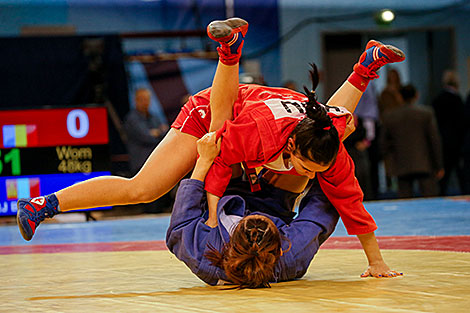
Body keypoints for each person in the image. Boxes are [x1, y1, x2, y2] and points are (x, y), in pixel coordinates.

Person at [17, 17, 405, 278]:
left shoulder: (327, 139)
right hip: (221, 113)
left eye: (313, 170)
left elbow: (350, 200)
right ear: (289, 145)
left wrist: (376, 260)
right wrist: (212, 216)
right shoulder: (258, 132)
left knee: (341, 123)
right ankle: (43, 205)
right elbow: (217, 163)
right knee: (148, 186)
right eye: (304, 165)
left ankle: (367, 64)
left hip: (280, 121)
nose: (307, 174)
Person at [167, 132, 402, 288]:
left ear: (232, 241)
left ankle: (228, 61)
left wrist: (205, 160)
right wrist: (328, 156)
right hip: (275, 201)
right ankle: (357, 80)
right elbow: (323, 206)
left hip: (224, 192)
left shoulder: (202, 254)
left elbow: (181, 219)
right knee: (315, 145)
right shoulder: (292, 255)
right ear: (280, 245)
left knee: (224, 137)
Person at [381, 84, 443, 198]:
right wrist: (438, 165)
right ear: (416, 95)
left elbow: (384, 144)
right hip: (424, 164)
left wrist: (389, 164)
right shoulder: (426, 113)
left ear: (399, 97)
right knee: (430, 202)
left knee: (405, 203)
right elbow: (434, 141)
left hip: (401, 165)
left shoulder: (390, 116)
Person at [432, 70, 465, 195]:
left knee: (443, 174)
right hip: (456, 142)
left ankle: (440, 194)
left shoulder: (437, 99)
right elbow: (462, 122)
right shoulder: (458, 100)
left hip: (442, 141)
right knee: (461, 173)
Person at [124, 88, 169, 175]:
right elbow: (146, 137)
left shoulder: (154, 117)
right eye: (142, 99)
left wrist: (156, 133)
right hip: (140, 164)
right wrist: (159, 132)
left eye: (147, 99)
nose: (145, 102)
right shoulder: (132, 119)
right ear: (136, 100)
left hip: (157, 161)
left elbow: (166, 134)